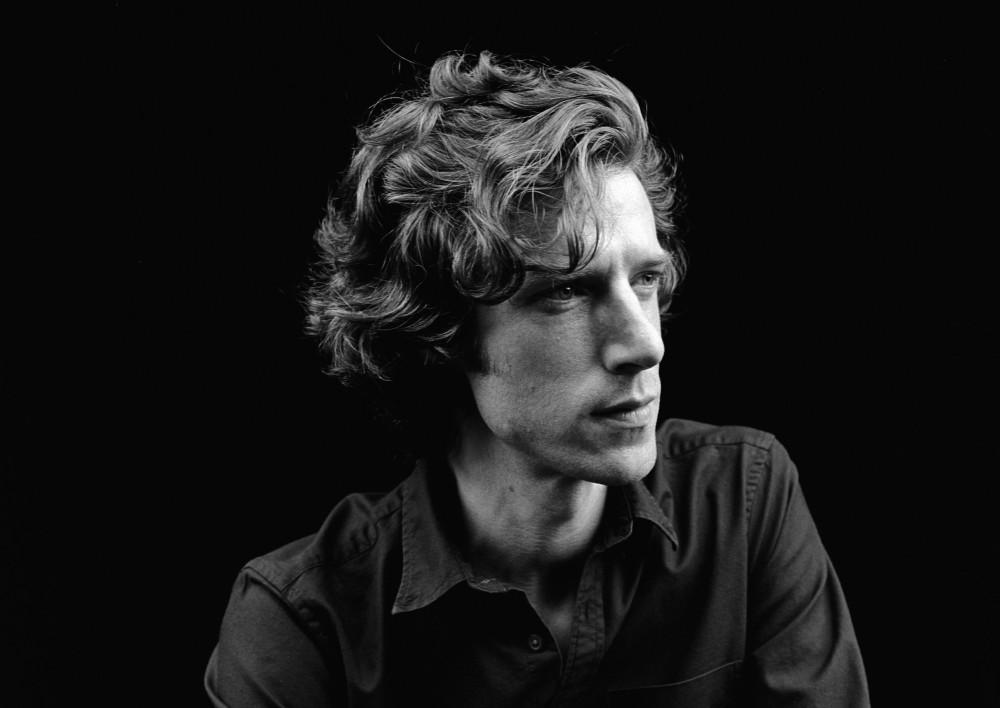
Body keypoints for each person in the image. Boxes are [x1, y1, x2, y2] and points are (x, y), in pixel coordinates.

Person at [205, 51, 869, 706]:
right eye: (567, 291)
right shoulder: (305, 625)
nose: (646, 344)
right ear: (439, 332)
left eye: (644, 279)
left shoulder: (744, 504)